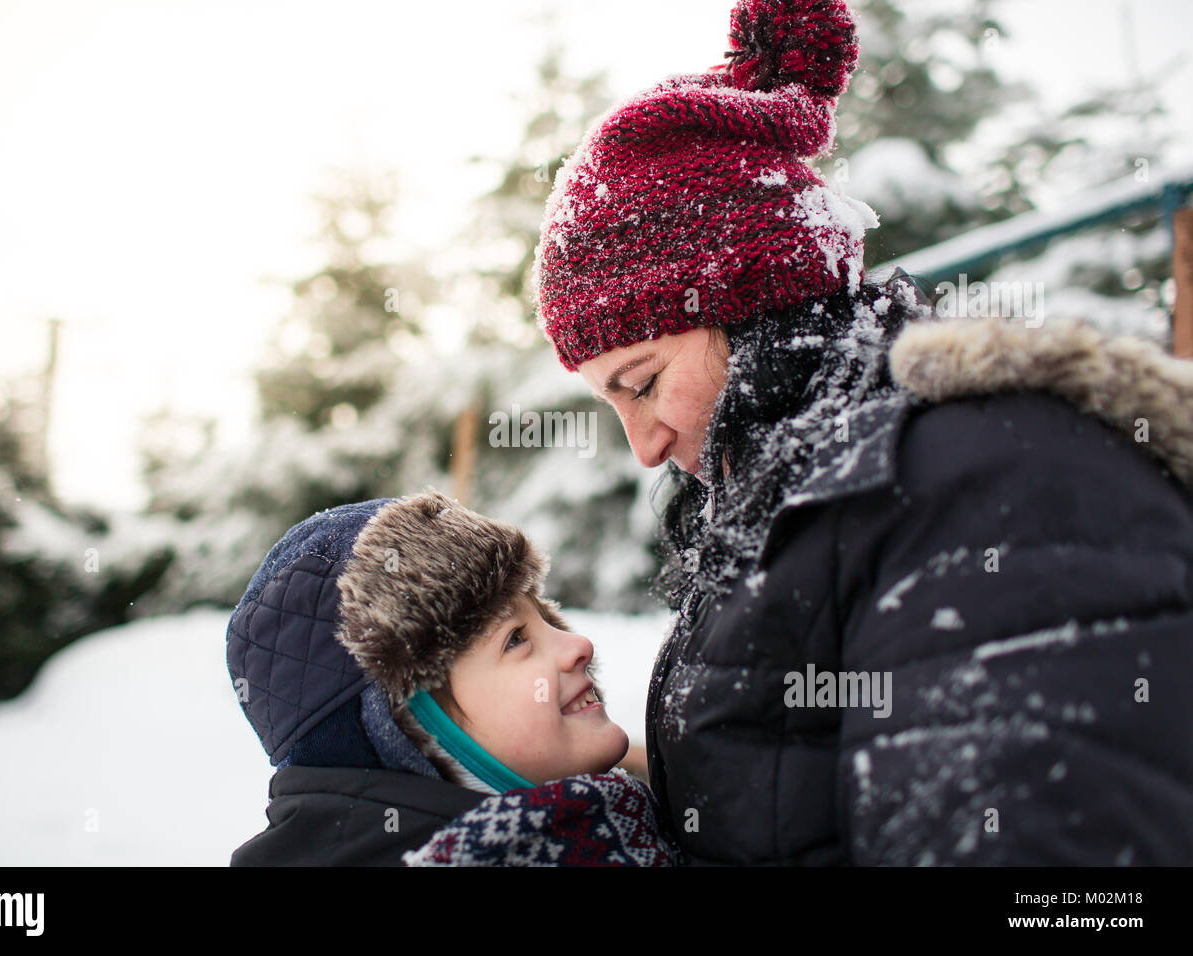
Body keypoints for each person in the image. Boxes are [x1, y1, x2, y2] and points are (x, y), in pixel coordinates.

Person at [532, 0, 1193, 864]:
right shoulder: (808, 502)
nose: (644, 447)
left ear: (751, 304)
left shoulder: (995, 486)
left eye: (644, 384)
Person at [226, 490, 676, 866]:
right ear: (411, 731)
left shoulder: (619, 827)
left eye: (548, 621)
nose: (579, 646)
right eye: (516, 639)